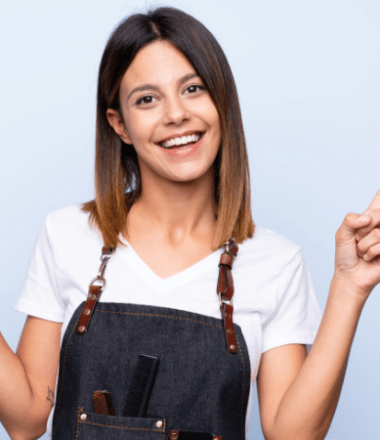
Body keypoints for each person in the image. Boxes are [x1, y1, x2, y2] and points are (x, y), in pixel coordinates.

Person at [0, 6, 379, 440]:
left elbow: (292, 435)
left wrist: (350, 288)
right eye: (147, 99)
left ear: (222, 101)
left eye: (193, 88)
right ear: (119, 124)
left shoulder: (277, 262)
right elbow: (26, 419)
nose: (176, 114)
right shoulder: (66, 235)